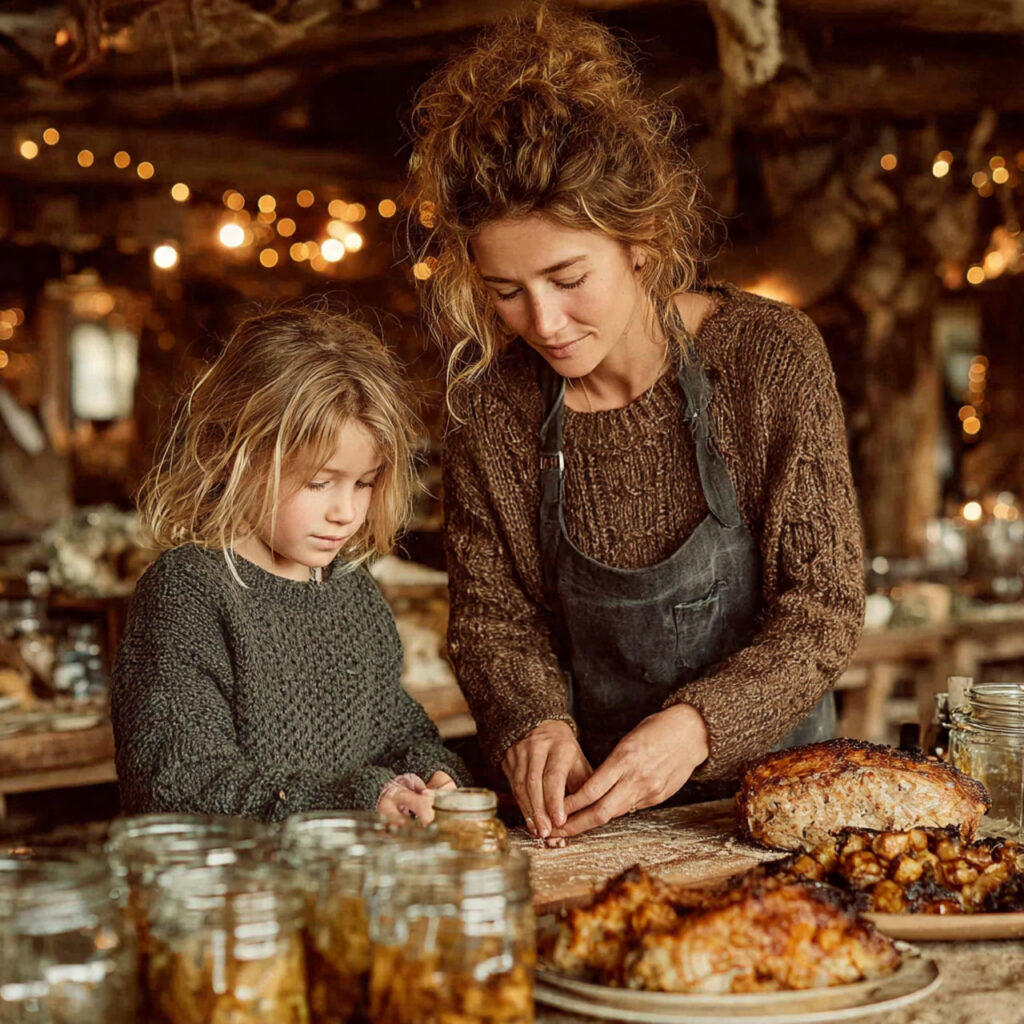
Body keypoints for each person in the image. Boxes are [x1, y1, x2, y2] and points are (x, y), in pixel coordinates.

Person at [406, 9, 864, 844]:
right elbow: (494, 620)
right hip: (590, 824)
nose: (542, 321)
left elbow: (824, 606)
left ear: (642, 241)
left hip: (781, 813)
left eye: (567, 276)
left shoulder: (765, 359)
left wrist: (697, 728)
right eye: (505, 290)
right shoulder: (490, 408)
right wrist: (532, 724)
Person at [111, 308, 468, 824]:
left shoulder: (349, 589)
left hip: (346, 890)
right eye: (319, 482)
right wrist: (354, 802)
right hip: (235, 897)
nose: (344, 511)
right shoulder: (188, 594)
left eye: (364, 482)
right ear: (238, 454)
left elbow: (394, 730)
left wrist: (429, 772)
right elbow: (179, 783)